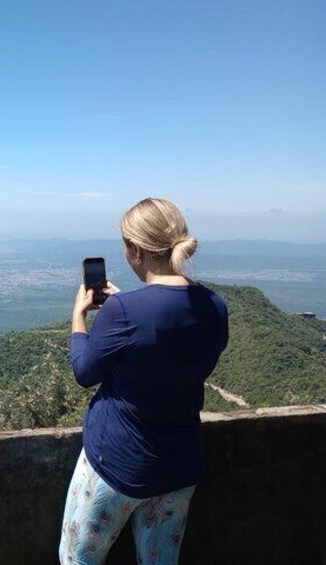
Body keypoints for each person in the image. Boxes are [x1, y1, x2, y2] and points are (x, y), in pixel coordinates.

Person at [58, 197, 229, 565]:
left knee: (78, 559)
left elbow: (84, 372)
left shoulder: (123, 311)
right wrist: (129, 310)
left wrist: (79, 318)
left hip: (117, 463)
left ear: (135, 249)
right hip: (180, 466)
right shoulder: (215, 305)